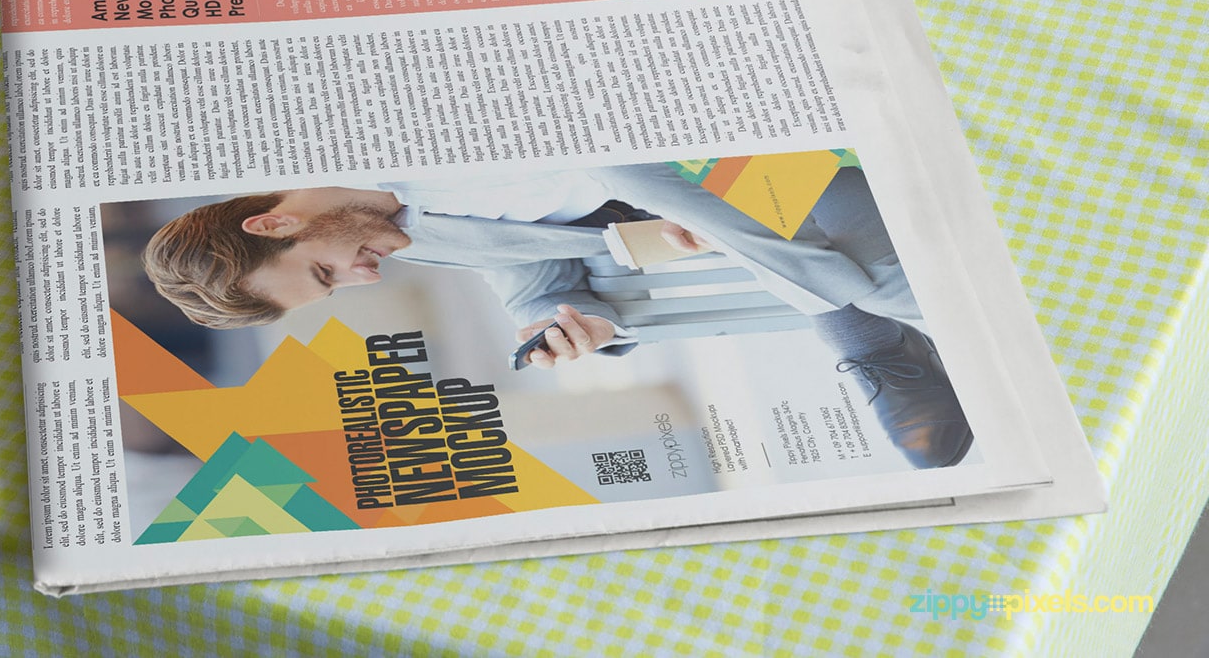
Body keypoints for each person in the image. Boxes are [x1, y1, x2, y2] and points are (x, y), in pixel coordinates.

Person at [143, 164, 973, 470]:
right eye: (334, 287)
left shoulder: (381, 142)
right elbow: (528, 259)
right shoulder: (392, 232)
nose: (357, 278)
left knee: (893, 288)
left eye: (325, 271)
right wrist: (556, 319)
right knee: (889, 280)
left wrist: (674, 218)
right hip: (707, 211)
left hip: (743, 153)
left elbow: (630, 160)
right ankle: (868, 334)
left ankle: (864, 336)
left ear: (273, 221)